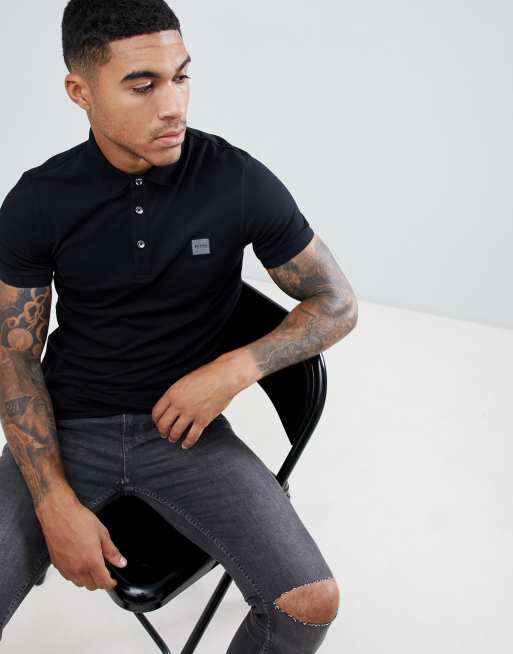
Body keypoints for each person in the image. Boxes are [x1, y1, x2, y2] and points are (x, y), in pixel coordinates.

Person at [0, 1, 358, 651]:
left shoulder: (234, 179)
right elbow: (15, 355)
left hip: (185, 431)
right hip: (66, 428)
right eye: (142, 85)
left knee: (309, 603)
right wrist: (53, 502)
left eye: (181, 77)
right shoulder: (37, 200)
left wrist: (232, 370)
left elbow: (336, 302)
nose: (173, 105)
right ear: (80, 91)